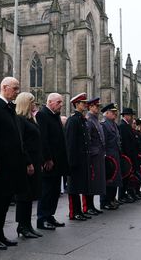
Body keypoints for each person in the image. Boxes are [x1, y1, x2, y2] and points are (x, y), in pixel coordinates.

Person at [0, 77, 27, 250]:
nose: (17, 91)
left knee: (5, 202)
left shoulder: (10, 109)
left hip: (12, 165)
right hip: (0, 165)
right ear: (4, 87)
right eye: (15, 88)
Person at [35, 92, 68, 230]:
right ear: (50, 102)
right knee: (47, 190)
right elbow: (43, 139)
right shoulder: (42, 115)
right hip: (50, 161)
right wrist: (47, 158)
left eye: (61, 102)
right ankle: (42, 218)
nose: (61, 105)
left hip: (58, 160)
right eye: (59, 102)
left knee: (54, 191)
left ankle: (50, 215)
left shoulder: (55, 116)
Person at [14, 92, 43, 239]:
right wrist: (28, 162)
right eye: (32, 102)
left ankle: (27, 224)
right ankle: (22, 225)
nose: (34, 105)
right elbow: (21, 143)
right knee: (24, 196)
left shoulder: (31, 120)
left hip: (35, 161)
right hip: (26, 163)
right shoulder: (19, 119)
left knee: (30, 195)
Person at [64, 93, 90, 221]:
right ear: (76, 104)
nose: (85, 105)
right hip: (75, 160)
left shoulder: (81, 120)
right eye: (83, 103)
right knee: (74, 187)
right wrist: (71, 161)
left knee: (80, 185)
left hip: (82, 158)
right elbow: (70, 143)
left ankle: (79, 210)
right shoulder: (73, 120)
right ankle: (74, 212)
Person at [99, 103, 122, 210]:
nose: (115, 114)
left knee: (115, 179)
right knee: (108, 179)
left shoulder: (113, 124)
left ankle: (111, 199)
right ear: (106, 113)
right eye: (113, 112)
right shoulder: (104, 125)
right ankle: (105, 202)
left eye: (115, 112)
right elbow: (103, 142)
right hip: (109, 156)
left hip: (115, 155)